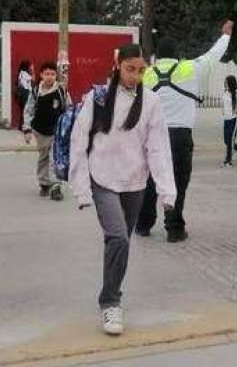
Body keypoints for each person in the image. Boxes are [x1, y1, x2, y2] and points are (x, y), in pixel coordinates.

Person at [69, 44, 177, 336]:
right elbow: (79, 141)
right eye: (131, 68)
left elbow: (158, 147)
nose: (136, 75)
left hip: (135, 183)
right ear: (118, 65)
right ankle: (110, 302)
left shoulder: (151, 102)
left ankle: (111, 289)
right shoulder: (98, 97)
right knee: (117, 237)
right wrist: (81, 188)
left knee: (120, 243)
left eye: (141, 70)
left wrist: (167, 190)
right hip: (102, 178)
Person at [136, 20, 234, 242]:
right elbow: (213, 55)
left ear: (157, 56)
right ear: (177, 55)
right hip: (180, 136)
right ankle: (174, 228)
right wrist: (225, 35)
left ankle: (143, 224)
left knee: (150, 181)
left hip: (153, 137)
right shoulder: (189, 67)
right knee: (178, 182)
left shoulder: (147, 74)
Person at [22, 62, 69, 199]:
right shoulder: (36, 91)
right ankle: (44, 183)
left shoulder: (61, 91)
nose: (50, 77)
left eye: (53, 74)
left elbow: (68, 109)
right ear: (42, 75)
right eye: (47, 74)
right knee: (44, 157)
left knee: (55, 157)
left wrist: (69, 127)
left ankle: (56, 186)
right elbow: (28, 110)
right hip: (40, 130)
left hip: (57, 131)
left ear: (56, 76)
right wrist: (27, 130)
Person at [15, 60, 33, 131]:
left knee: (23, 110)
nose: (31, 67)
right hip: (26, 92)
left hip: (23, 93)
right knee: (27, 110)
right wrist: (32, 71)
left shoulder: (21, 73)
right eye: (30, 65)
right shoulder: (25, 74)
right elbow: (32, 79)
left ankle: (21, 125)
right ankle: (25, 126)